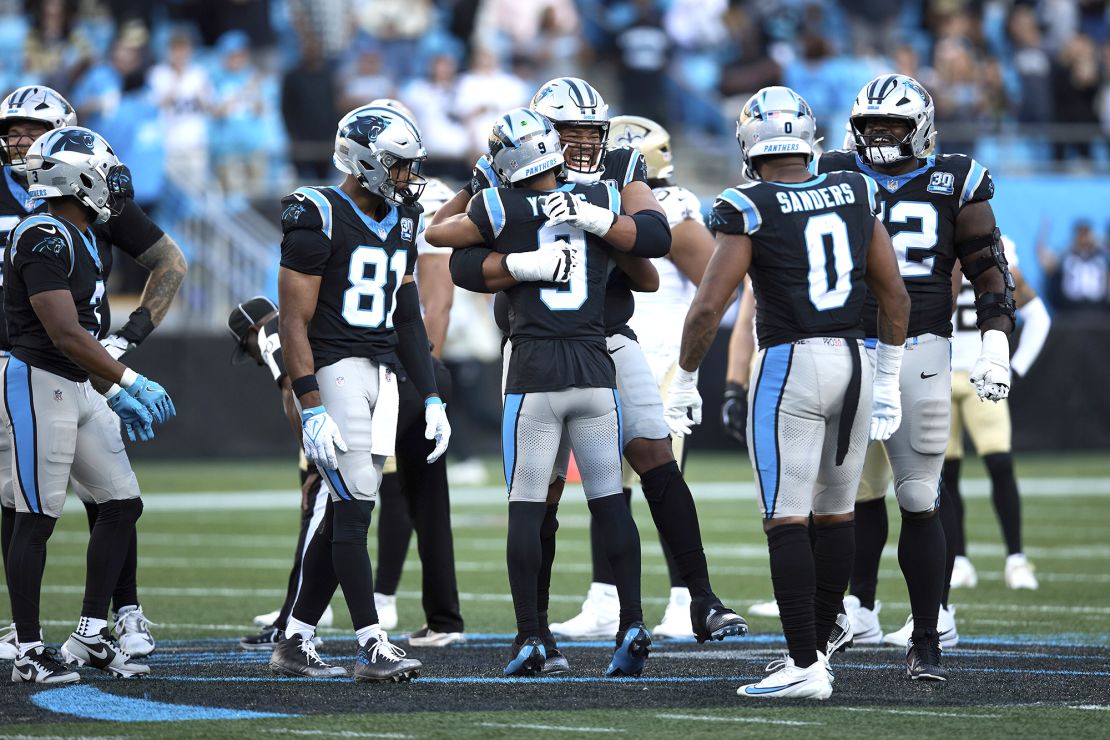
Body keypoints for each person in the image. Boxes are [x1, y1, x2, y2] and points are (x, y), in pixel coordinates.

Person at [441, 76, 748, 648]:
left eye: (590, 131)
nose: (583, 143)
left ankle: (701, 600)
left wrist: (597, 220)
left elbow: (655, 237)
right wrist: (524, 262)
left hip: (608, 332)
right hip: (534, 342)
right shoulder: (503, 172)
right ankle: (537, 628)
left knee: (655, 455)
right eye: (568, 132)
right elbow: (458, 255)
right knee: (544, 490)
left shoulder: (622, 164)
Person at [668, 86, 909, 700]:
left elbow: (706, 309)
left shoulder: (748, 203)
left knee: (785, 518)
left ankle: (804, 662)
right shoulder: (856, 189)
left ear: (750, 144)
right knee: (837, 512)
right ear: (808, 136)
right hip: (855, 359)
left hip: (791, 363)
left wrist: (689, 379)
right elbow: (896, 297)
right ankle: (822, 644)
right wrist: (885, 381)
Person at [426, 107, 651, 678]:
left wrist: (490, 208)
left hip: (535, 372)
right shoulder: (600, 193)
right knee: (609, 503)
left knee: (527, 508)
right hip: (596, 369)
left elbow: (438, 234)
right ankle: (632, 622)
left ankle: (530, 634)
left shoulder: (501, 204)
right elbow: (647, 256)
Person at [817, 75, 1016, 677]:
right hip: (848, 347)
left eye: (892, 126)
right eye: (869, 126)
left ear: (922, 128)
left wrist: (996, 346)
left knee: (920, 496)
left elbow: (988, 269)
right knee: (838, 497)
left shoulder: (957, 177)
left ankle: (927, 633)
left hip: (922, 349)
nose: (878, 137)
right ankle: (835, 620)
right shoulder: (832, 170)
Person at [0, 85, 187, 662]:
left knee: (111, 498)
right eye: (12, 129)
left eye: (32, 129)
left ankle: (109, 616)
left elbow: (170, 262)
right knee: (25, 505)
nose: (17, 138)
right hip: (26, 365)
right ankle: (26, 639)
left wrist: (125, 344)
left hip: (77, 364)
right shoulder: (46, 223)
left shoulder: (87, 201)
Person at [270, 103, 450, 683]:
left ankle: (295, 637)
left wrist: (432, 395)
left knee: (345, 508)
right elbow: (293, 322)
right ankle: (372, 643)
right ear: (365, 160)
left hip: (381, 373)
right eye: (397, 167)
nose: (406, 178)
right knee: (354, 509)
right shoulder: (317, 211)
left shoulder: (402, 218)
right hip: (334, 369)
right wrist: (310, 402)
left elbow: (407, 316)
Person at [596, 114, 714, 639]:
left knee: (661, 480)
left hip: (662, 357)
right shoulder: (602, 199)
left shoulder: (678, 206)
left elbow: (715, 286)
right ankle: (604, 598)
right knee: (608, 484)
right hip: (616, 351)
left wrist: (692, 359)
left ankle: (685, 599)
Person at [370, 175, 466, 646]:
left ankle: (303, 617)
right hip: (415, 370)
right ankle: (444, 619)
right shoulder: (415, 199)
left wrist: (422, 372)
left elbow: (437, 302)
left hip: (390, 369)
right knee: (427, 503)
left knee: (342, 495)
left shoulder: (413, 204)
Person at [945, 236, 1050, 591]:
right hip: (938, 374)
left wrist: (1014, 367)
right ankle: (959, 559)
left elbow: (1038, 316)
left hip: (981, 373)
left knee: (999, 463)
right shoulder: (931, 236)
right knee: (945, 473)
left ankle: (1016, 558)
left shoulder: (996, 246)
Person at [229, 297, 334, 651]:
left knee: (320, 528)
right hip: (350, 409)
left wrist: (311, 456)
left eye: (246, 344)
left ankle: (296, 626)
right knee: (322, 527)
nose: (254, 356)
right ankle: (292, 619)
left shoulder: (271, 331)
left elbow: (292, 386)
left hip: (332, 427)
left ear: (251, 330)